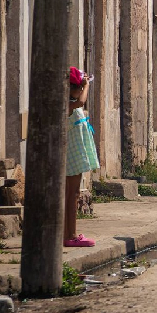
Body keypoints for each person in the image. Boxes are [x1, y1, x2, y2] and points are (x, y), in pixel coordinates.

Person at [64, 67, 100, 248]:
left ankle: (67, 233)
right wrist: (86, 86)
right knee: (72, 194)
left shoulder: (71, 105)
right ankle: (70, 236)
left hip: (74, 155)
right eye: (80, 87)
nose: (82, 90)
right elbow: (81, 102)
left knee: (72, 194)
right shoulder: (69, 106)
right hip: (72, 157)